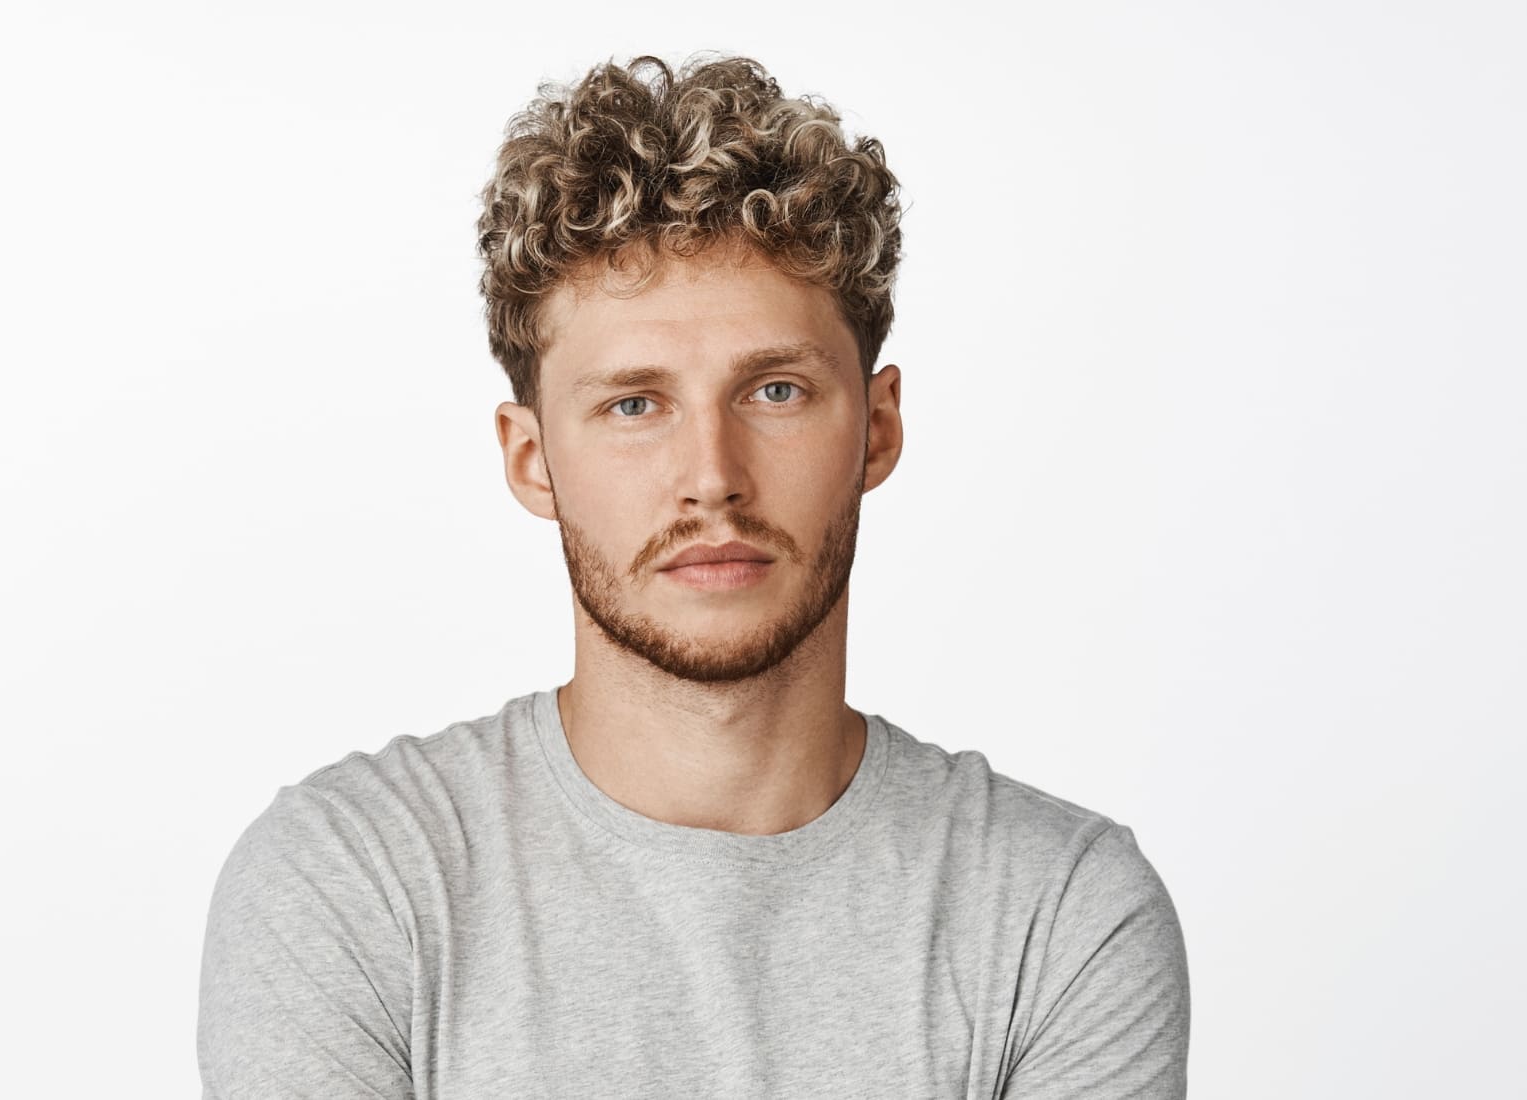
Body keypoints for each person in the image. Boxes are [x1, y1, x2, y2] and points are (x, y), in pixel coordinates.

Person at [197, 52, 1189, 1099]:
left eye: (773, 389)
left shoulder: (1055, 910)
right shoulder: (351, 883)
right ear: (531, 458)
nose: (711, 478)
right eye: (635, 403)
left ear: (879, 425)